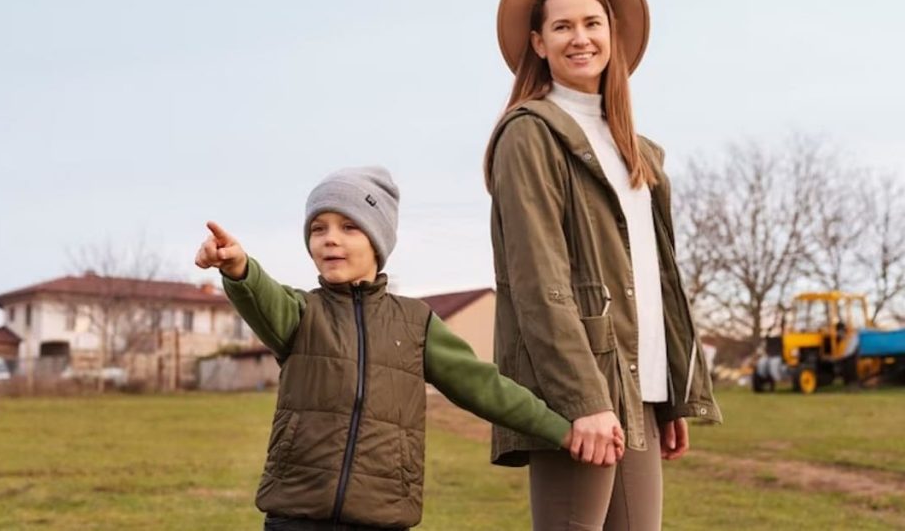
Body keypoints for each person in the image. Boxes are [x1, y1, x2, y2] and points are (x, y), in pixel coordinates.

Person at [195, 166, 620, 530]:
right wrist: (238, 267)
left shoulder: (416, 323)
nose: (329, 239)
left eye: (348, 226)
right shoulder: (300, 314)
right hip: (296, 514)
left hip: (383, 515)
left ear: (378, 241)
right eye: (317, 228)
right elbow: (259, 294)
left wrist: (562, 430)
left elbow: (486, 388)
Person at [483, 0, 722, 530]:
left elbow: (655, 280)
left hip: (638, 387)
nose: (579, 38)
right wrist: (581, 399)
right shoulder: (530, 134)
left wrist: (668, 394)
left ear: (612, 35)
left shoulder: (638, 154)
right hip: (579, 387)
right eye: (562, 26)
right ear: (538, 43)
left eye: (592, 23)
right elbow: (539, 282)